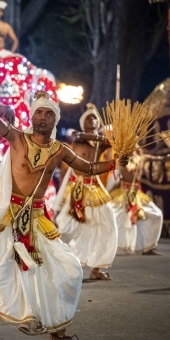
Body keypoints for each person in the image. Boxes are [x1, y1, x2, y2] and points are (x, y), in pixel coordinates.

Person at [0, 93, 129, 340]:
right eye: (39, 112)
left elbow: (89, 168)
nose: (43, 117)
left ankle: (56, 335)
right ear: (32, 116)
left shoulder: (60, 150)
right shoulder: (16, 137)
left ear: (55, 120)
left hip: (37, 219)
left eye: (49, 114)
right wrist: (3, 108)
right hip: (9, 215)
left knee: (68, 269)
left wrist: (114, 163)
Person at [54, 104, 117, 280]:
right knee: (66, 227)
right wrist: (100, 138)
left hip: (95, 187)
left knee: (108, 224)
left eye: (95, 118)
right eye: (89, 118)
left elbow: (113, 145)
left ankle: (97, 268)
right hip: (77, 189)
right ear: (83, 122)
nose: (93, 120)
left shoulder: (101, 143)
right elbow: (76, 135)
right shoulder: (78, 137)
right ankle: (55, 260)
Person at [107, 148, 170, 255]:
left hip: (137, 194)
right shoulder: (121, 158)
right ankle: (120, 247)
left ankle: (147, 247)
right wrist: (106, 193)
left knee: (156, 214)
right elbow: (113, 177)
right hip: (123, 193)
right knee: (120, 217)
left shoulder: (142, 157)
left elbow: (160, 159)